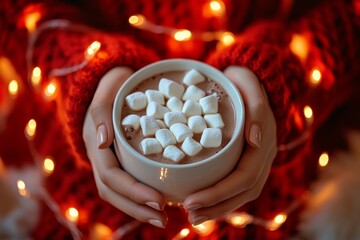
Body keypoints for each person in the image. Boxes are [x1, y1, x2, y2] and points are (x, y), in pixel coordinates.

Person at [0, 0, 359, 239]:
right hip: (82, 205)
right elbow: (18, 15)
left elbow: (348, 19)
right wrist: (86, 69)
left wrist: (277, 76)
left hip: (268, 204)